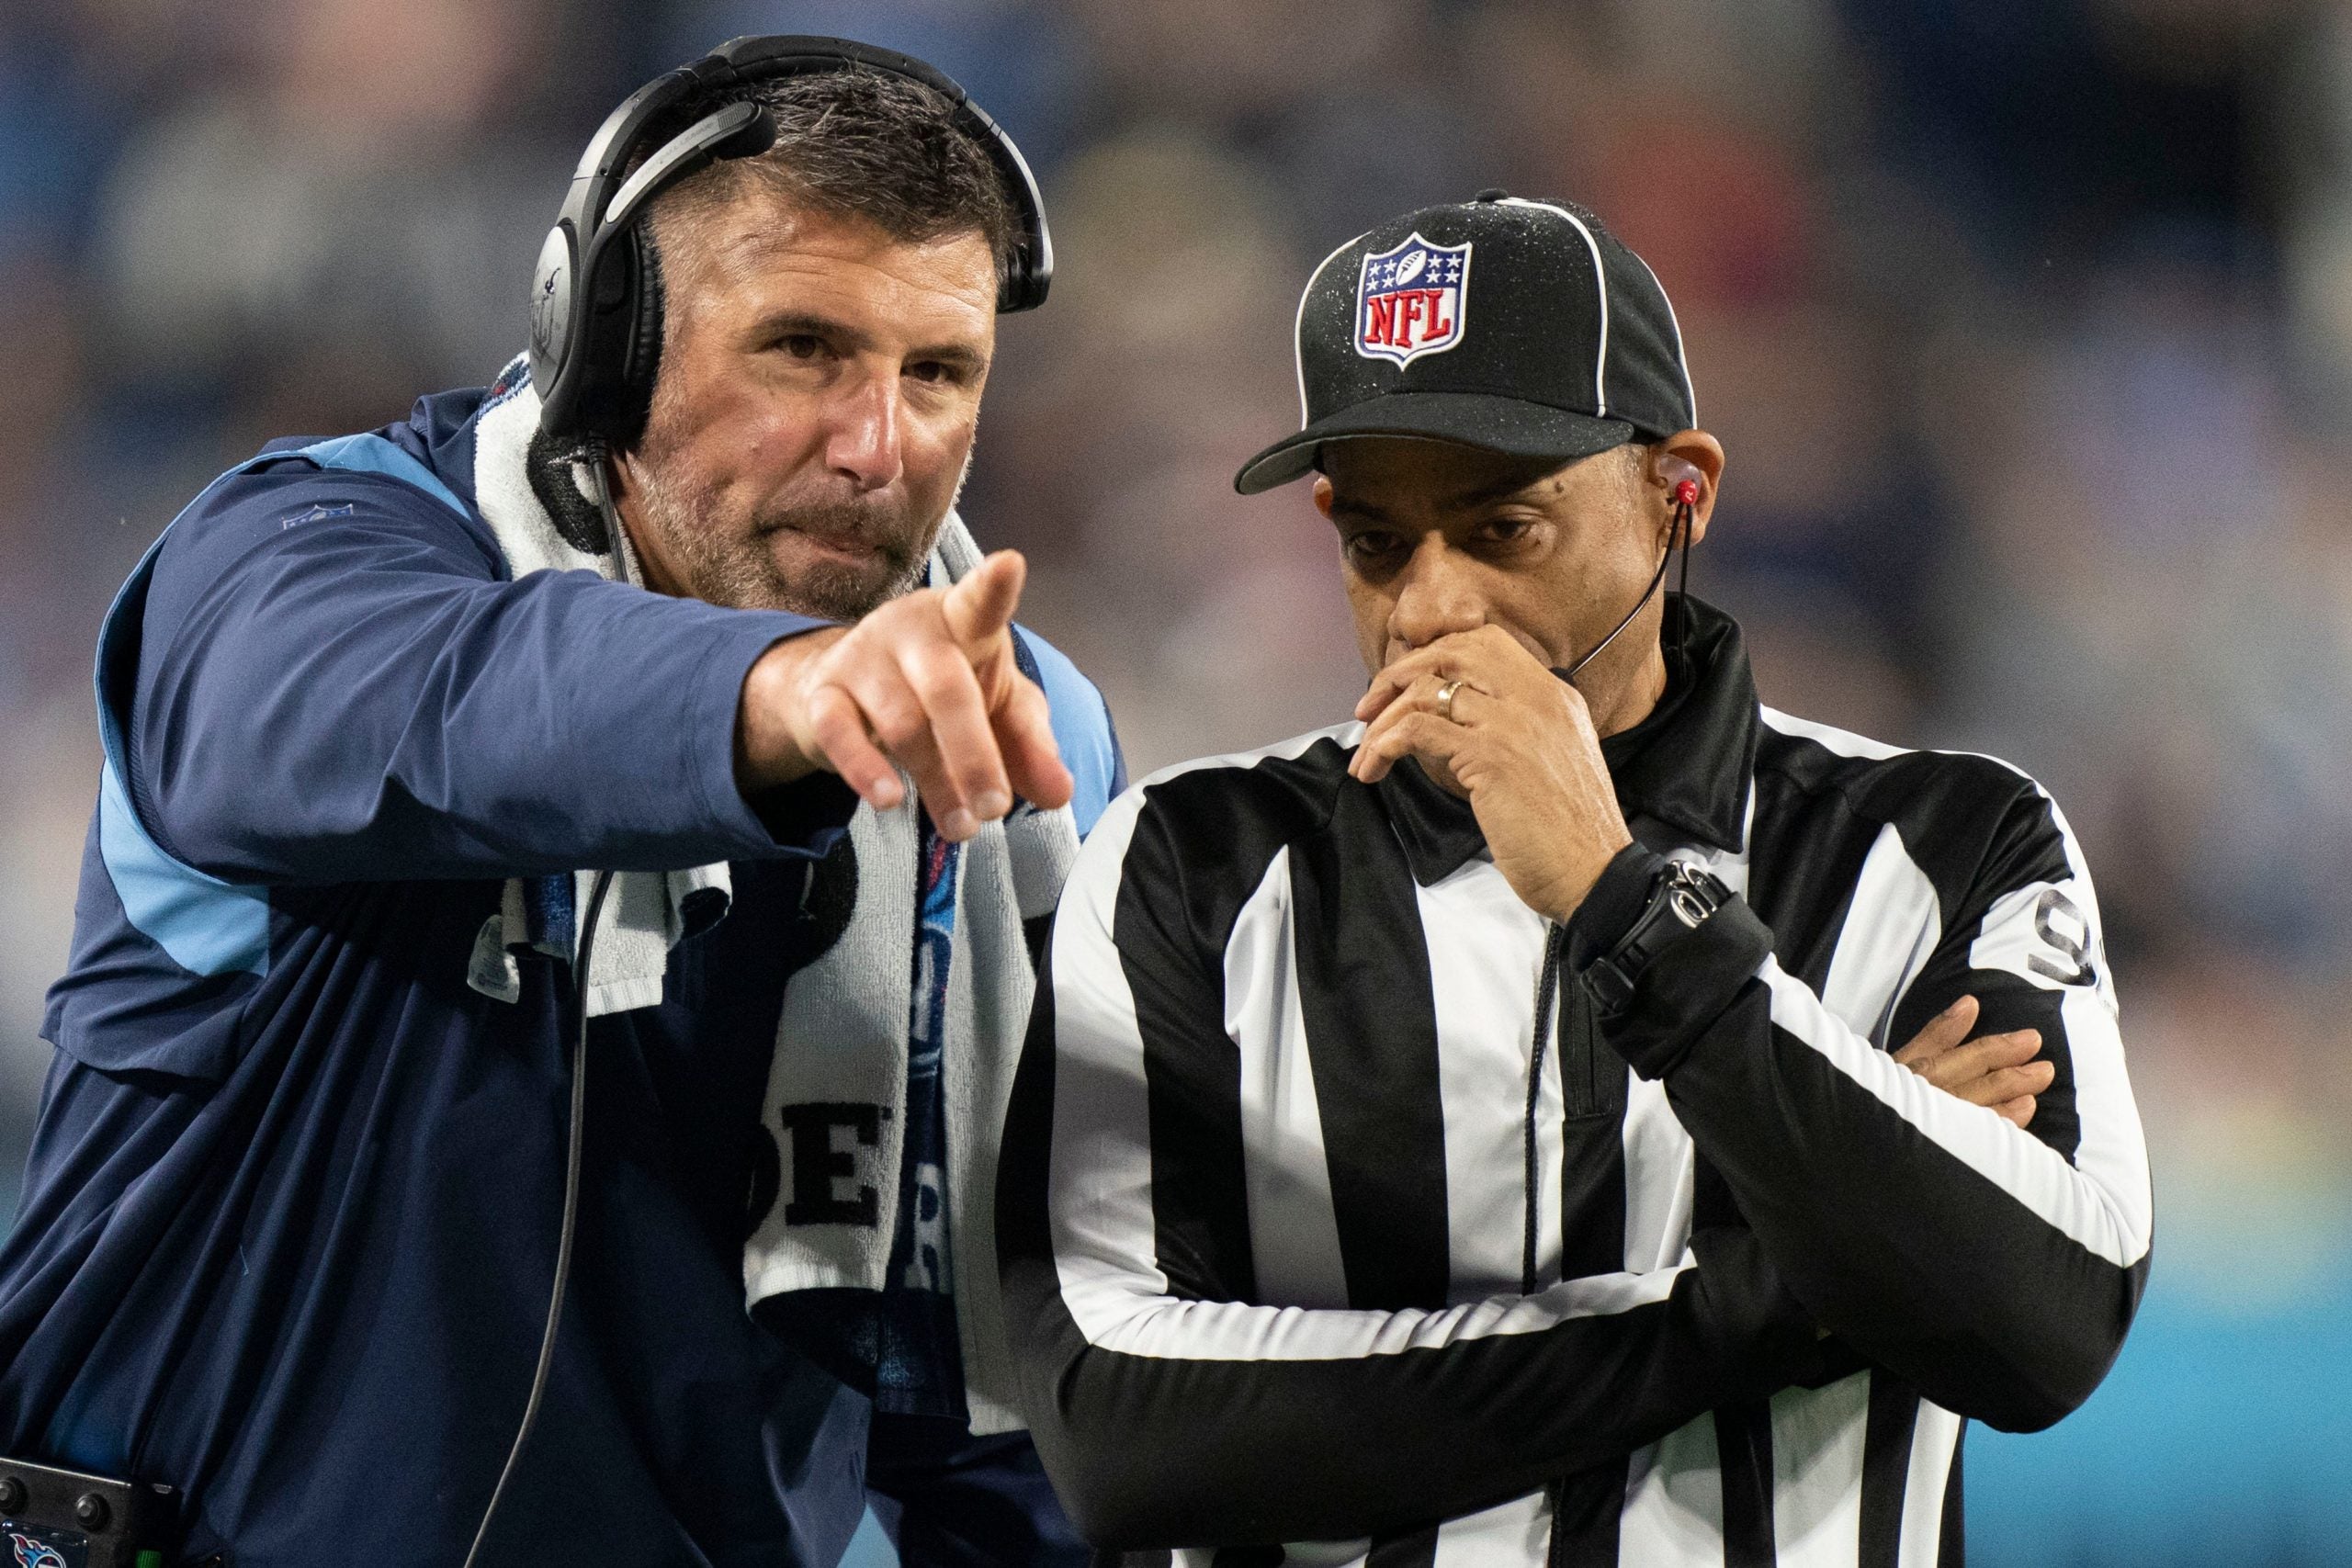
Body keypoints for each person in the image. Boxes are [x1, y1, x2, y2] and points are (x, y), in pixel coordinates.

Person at [0, 38, 1117, 1568]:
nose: (880, 450)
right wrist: (777, 690)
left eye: (939, 374)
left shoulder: (1018, 735)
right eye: (800, 348)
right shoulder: (284, 567)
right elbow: (459, 704)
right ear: (606, 343)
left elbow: (990, 1395)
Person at [997, 194, 2152, 1567]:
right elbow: (1121, 1434)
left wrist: (1626, 901)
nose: (1428, 607)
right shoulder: (1191, 861)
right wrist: (1774, 1295)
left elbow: (2046, 1327)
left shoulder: (1948, 841)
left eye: (1505, 530)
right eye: (1376, 542)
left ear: (1683, 495)